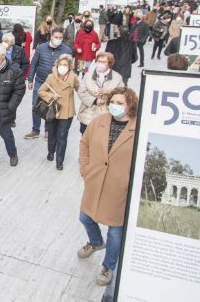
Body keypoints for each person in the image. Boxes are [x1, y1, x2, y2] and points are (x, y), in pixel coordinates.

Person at [77, 87, 138, 286]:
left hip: (119, 187)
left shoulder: (137, 129)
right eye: (113, 102)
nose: (115, 106)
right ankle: (95, 242)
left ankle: (108, 265)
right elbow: (84, 144)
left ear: (130, 106)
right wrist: (85, 168)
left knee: (115, 230)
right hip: (95, 180)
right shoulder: (100, 122)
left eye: (120, 103)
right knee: (85, 216)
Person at [25, 27, 73, 140]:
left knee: (50, 105)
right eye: (56, 37)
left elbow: (70, 68)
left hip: (55, 83)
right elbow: (33, 64)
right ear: (51, 37)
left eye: (60, 38)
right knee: (35, 104)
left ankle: (48, 130)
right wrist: (30, 79)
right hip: (40, 81)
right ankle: (35, 130)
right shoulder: (41, 48)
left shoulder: (67, 50)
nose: (58, 39)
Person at [38, 54, 79, 170]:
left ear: (70, 66)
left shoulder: (73, 77)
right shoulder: (51, 77)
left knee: (62, 136)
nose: (62, 67)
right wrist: (51, 96)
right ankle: (51, 152)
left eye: (65, 65)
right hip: (52, 110)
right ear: (57, 65)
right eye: (60, 64)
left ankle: (59, 161)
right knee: (51, 134)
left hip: (67, 111)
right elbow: (41, 91)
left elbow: (79, 89)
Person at [76, 52, 123, 135]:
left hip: (106, 115)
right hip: (88, 114)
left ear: (109, 64)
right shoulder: (88, 75)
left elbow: (122, 94)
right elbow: (81, 92)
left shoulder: (117, 77)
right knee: (85, 141)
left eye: (103, 62)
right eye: (98, 61)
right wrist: (94, 100)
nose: (100, 64)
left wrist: (110, 91)